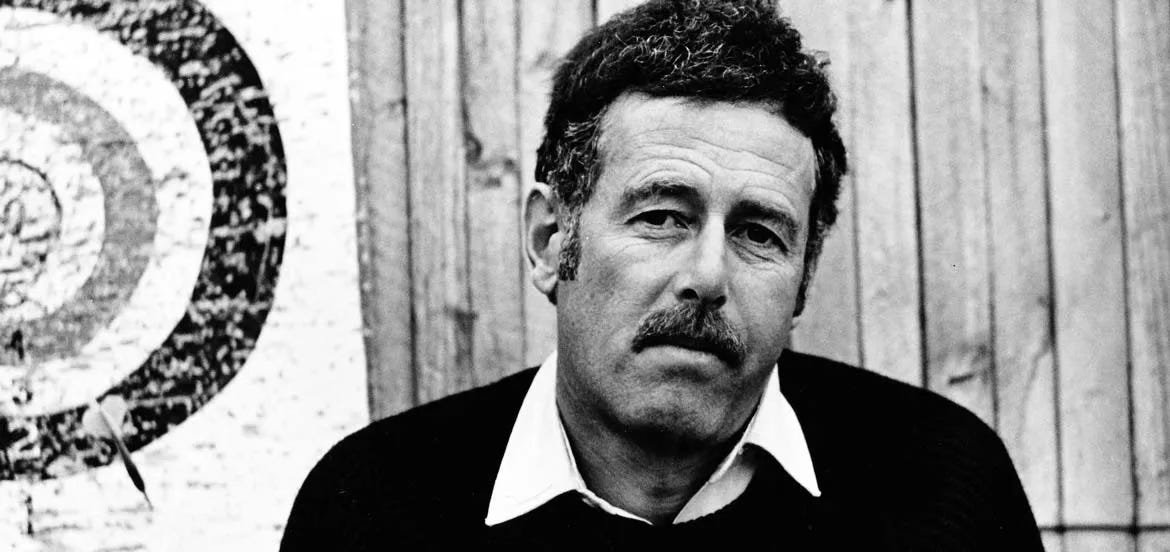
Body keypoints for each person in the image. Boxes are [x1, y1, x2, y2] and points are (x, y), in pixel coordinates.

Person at [281, 1, 1044, 549]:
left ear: (805, 278)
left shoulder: (944, 492)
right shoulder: (373, 509)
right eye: (662, 217)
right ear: (550, 241)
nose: (707, 275)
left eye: (758, 233)